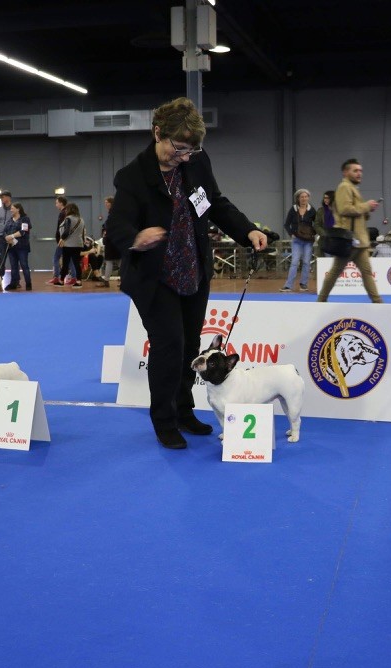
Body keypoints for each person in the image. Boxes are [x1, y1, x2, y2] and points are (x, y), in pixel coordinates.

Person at [104, 97, 267, 450]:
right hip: (154, 276)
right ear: (157, 132)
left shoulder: (197, 161)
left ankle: (183, 409)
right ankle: (163, 421)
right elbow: (116, 225)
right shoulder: (133, 177)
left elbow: (216, 203)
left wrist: (247, 230)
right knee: (169, 346)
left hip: (192, 271)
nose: (183, 157)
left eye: (190, 152)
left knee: (191, 345)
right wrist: (135, 238)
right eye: (178, 149)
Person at [317, 159, 383, 304]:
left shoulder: (352, 188)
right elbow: (344, 209)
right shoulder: (344, 187)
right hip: (349, 240)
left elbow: (356, 212)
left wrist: (368, 209)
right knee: (335, 272)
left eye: (360, 171)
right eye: (355, 170)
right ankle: (321, 300)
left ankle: (378, 303)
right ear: (345, 172)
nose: (359, 173)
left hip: (359, 241)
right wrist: (366, 206)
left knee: (366, 273)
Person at [280, 189, 316, 292]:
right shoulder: (293, 209)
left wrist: (314, 234)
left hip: (308, 241)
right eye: (302, 197)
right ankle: (288, 285)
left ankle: (303, 284)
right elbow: (286, 224)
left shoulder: (312, 210)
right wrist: (291, 234)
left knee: (306, 262)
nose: (304, 198)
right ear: (298, 198)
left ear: (308, 198)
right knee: (294, 262)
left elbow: (317, 224)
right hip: (296, 241)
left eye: (306, 196)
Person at [56, 202, 86, 288]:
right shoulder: (81, 219)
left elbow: (67, 231)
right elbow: (83, 232)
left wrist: (62, 239)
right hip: (78, 244)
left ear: (69, 210)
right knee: (77, 263)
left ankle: (61, 281)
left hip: (68, 244)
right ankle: (79, 281)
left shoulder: (68, 218)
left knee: (65, 263)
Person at [4, 202, 32, 290]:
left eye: (12, 208)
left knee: (24, 265)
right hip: (11, 247)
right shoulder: (9, 220)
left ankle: (28, 283)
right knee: (13, 266)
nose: (11, 210)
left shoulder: (25, 219)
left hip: (22, 247)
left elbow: (23, 231)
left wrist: (12, 236)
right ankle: (14, 283)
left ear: (18, 209)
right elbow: (5, 231)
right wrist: (7, 238)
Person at [98, 196, 119, 287]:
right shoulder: (113, 212)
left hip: (112, 240)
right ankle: (106, 280)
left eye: (107, 202)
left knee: (112, 261)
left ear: (111, 203)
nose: (105, 204)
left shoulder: (114, 213)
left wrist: (105, 230)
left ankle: (106, 281)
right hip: (114, 240)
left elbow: (110, 225)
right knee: (117, 261)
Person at [0, 191, 12, 276]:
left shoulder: (14, 209)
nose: (1, 199)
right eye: (1, 197)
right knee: (1, 258)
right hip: (1, 238)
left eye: (3, 197)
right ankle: (0, 278)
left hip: (11, 238)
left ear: (8, 197)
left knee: (14, 259)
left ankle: (16, 280)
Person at [312, 190, 336, 258]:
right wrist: (324, 233)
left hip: (337, 240)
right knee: (327, 261)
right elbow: (316, 225)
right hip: (325, 240)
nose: (325, 200)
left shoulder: (339, 210)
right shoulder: (321, 210)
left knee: (337, 263)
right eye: (324, 198)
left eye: (328, 198)